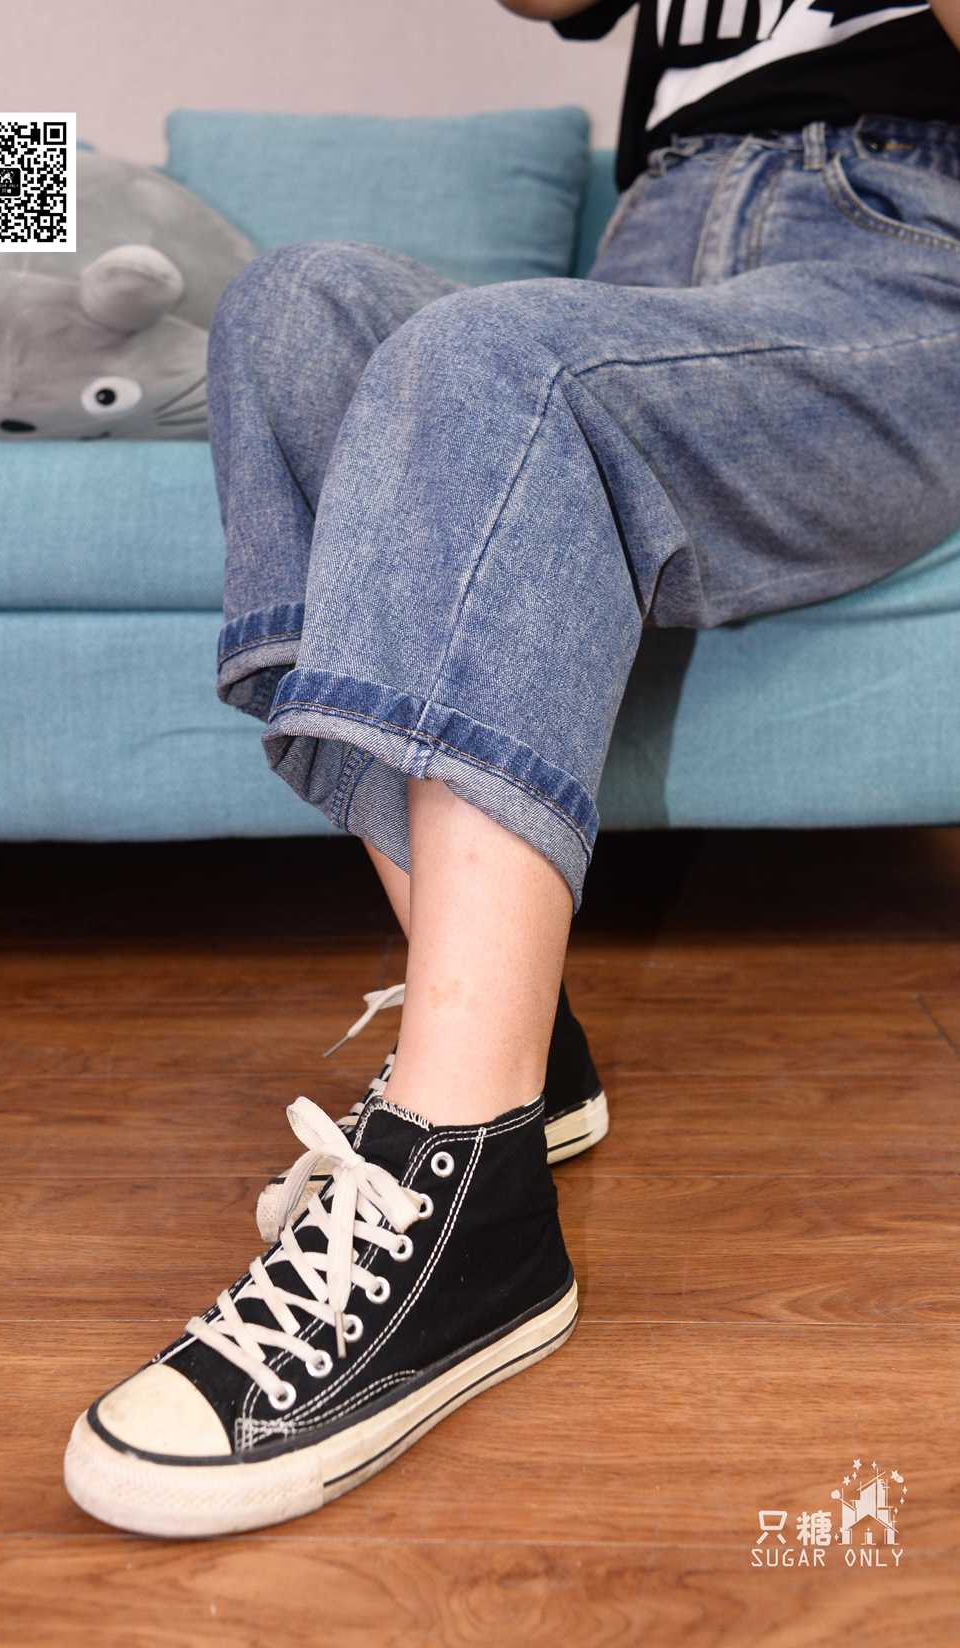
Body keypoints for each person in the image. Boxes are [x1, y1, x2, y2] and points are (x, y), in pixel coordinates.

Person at [63, 0, 960, 1537]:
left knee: (495, 358)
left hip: (902, 247)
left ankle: (467, 1197)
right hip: (651, 247)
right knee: (294, 307)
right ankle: (517, 1043)